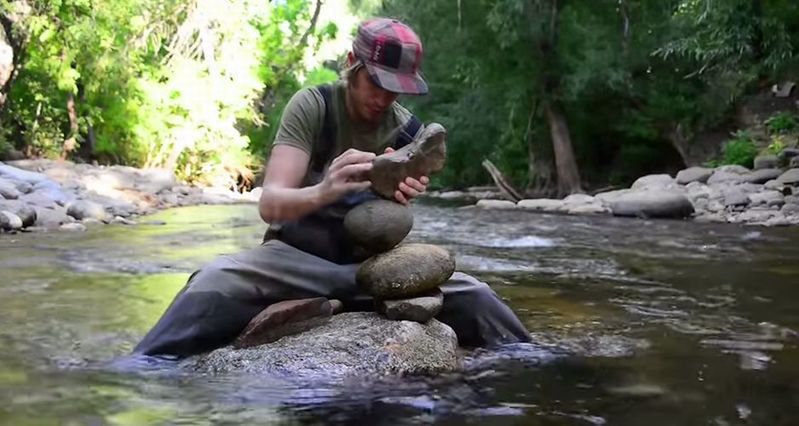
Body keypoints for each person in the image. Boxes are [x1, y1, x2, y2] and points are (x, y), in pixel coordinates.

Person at [133, 17, 531, 358]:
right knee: (212, 281)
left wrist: (401, 196)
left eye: (397, 87)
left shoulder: (408, 129)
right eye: (377, 82)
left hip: (370, 270)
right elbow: (270, 205)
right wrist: (325, 189)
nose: (385, 96)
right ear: (350, 64)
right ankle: (141, 367)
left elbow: (390, 223)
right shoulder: (313, 106)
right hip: (293, 261)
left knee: (479, 298)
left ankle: (543, 369)